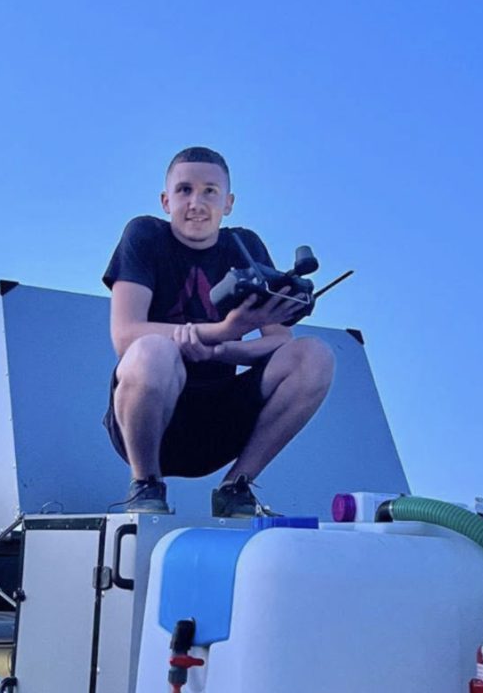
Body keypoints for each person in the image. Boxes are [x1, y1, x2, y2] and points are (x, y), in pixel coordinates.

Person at [102, 146, 335, 517]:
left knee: (314, 356)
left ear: (228, 203)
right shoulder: (144, 235)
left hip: (219, 423)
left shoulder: (244, 246)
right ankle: (145, 485)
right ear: (165, 200)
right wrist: (223, 330)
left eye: (210, 191)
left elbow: (278, 340)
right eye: (184, 190)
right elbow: (125, 336)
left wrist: (223, 349)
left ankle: (236, 488)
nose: (197, 202)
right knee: (152, 352)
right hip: (152, 422)